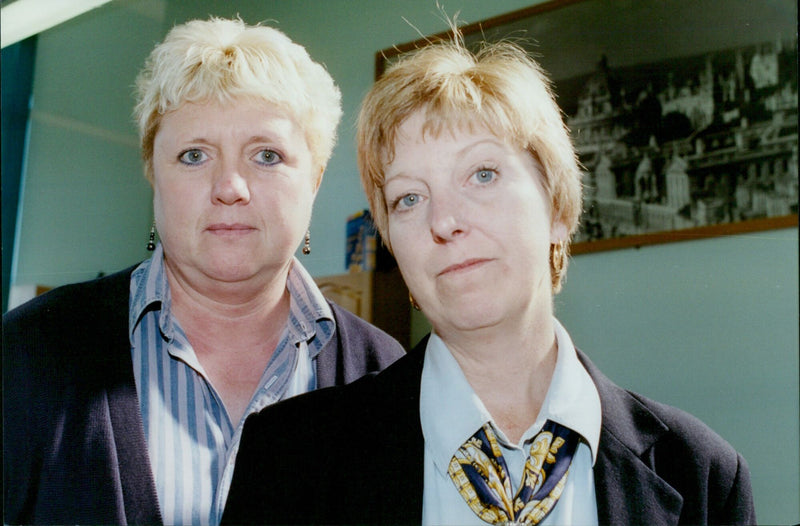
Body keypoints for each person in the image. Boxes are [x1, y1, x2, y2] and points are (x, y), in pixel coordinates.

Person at [221, 35, 756, 525]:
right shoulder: (290, 456)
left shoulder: (705, 477)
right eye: (409, 197)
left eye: (483, 174)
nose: (444, 220)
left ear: (558, 208)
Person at [3, 17, 404, 525]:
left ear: (316, 180)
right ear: (152, 171)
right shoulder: (31, 351)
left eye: (267, 155)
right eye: (194, 155)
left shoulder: (383, 374)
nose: (230, 186)